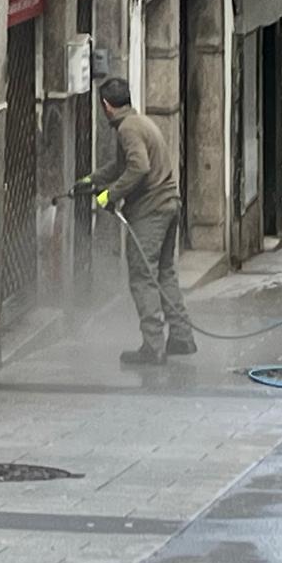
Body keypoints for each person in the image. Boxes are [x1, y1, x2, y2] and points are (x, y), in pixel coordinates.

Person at [85, 78, 196, 365]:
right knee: (165, 272)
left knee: (142, 276)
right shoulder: (138, 122)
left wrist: (109, 195)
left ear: (106, 106)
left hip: (151, 212)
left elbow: (139, 167)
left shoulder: (127, 129)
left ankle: (153, 345)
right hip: (169, 204)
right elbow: (124, 166)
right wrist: (92, 180)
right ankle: (182, 337)